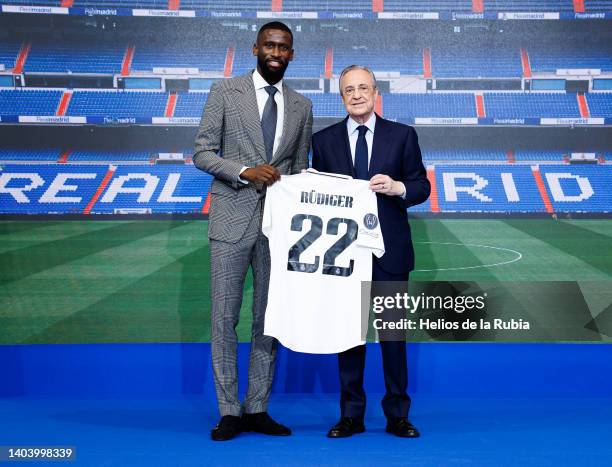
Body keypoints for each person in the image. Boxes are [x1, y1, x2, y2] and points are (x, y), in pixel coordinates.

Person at [193, 21, 313, 441]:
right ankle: (229, 410)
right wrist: (243, 171)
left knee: (268, 320)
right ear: (256, 48)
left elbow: (298, 168)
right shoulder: (224, 91)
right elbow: (202, 153)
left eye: (283, 46)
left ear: (292, 54)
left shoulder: (302, 105)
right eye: (269, 44)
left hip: (277, 229)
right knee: (224, 318)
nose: (276, 51)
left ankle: (257, 407)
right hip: (230, 220)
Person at [311, 65, 430, 438]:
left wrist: (397, 187)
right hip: (344, 256)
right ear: (342, 96)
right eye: (349, 89)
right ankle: (351, 415)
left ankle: (398, 414)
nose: (357, 94)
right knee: (348, 336)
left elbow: (421, 186)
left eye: (364, 87)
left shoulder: (403, 136)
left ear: (376, 92)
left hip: (389, 253)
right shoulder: (324, 141)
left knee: (393, 337)